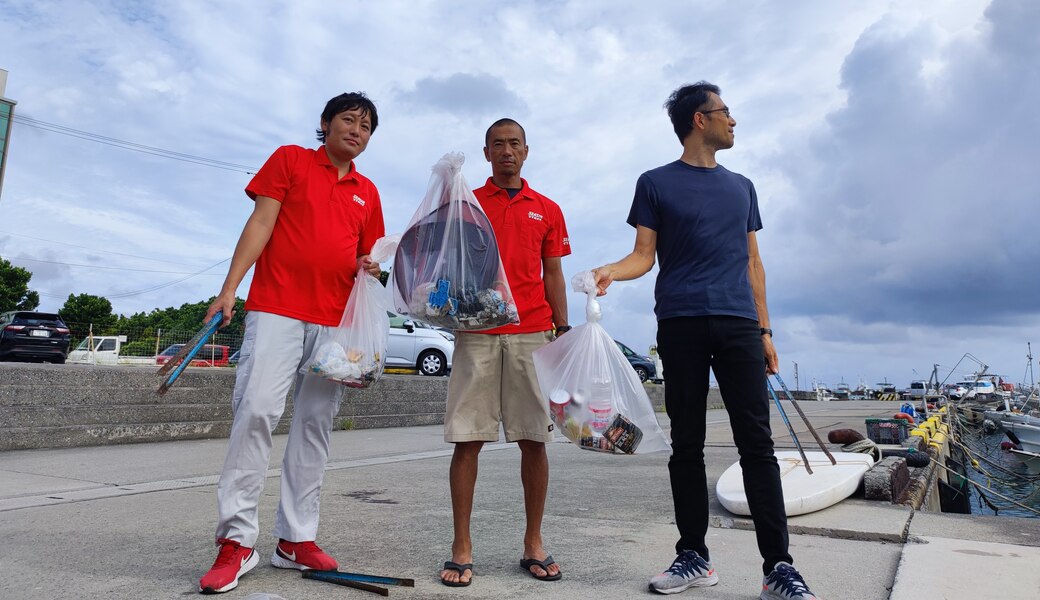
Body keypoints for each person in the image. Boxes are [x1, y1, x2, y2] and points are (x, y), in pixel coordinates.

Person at [592, 82, 821, 600]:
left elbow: (753, 262)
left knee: (757, 445)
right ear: (700, 119)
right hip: (681, 323)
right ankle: (693, 555)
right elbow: (643, 256)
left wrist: (765, 330)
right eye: (725, 111)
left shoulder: (742, 187)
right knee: (687, 445)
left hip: (739, 324)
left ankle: (778, 568)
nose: (732, 120)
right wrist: (610, 270)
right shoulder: (654, 182)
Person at [198, 92, 385, 594]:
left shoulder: (368, 192)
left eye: (367, 126)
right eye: (349, 119)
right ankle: (236, 541)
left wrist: (370, 264)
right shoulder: (290, 160)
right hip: (277, 307)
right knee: (256, 411)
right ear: (325, 123)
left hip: (336, 325)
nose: (357, 130)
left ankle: (295, 539)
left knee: (315, 425)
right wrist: (229, 288)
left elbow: (367, 256)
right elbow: (261, 222)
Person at [438, 118, 571, 587]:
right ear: (486, 152)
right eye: (498, 144)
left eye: (515, 143)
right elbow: (444, 260)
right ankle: (461, 546)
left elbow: (553, 272)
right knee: (467, 439)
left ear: (526, 151)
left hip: (532, 331)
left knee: (534, 439)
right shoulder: (466, 204)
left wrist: (563, 327)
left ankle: (533, 542)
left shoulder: (547, 209)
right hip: (476, 330)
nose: (507, 151)